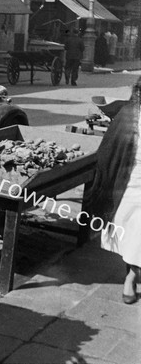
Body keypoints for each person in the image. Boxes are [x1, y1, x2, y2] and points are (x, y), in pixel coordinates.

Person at [84, 76, 141, 304]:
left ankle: (132, 275)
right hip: (132, 183)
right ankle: (132, 276)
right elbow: (109, 151)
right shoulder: (130, 114)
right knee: (134, 233)